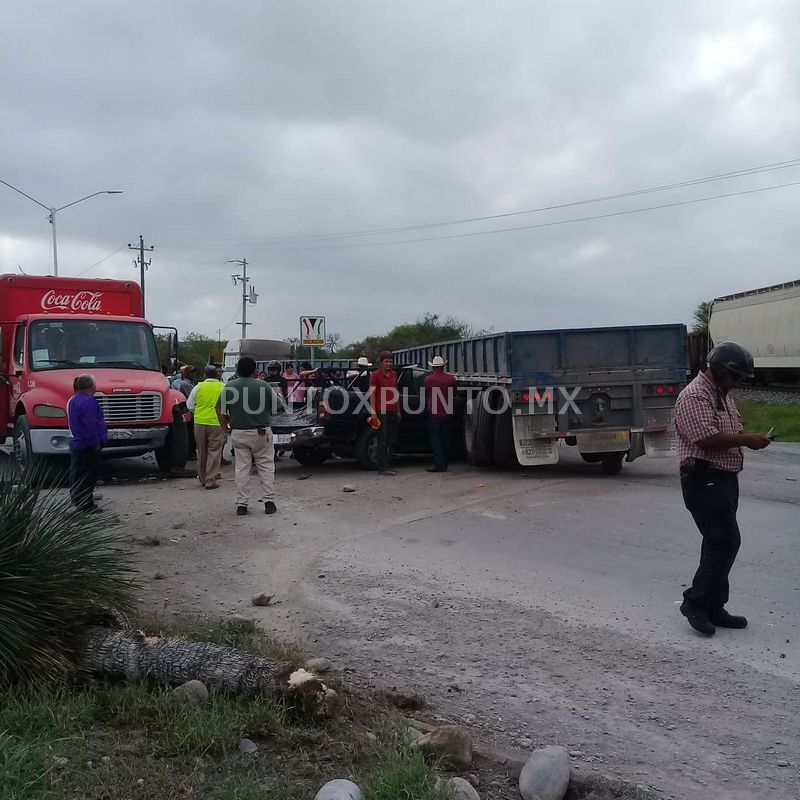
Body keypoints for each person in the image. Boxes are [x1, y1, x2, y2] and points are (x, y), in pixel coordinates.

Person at [674, 341, 772, 636]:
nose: (737, 383)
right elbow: (704, 438)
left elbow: (728, 431)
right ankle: (695, 602)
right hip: (704, 478)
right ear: (719, 370)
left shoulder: (721, 394)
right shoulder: (694, 396)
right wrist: (745, 440)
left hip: (724, 478)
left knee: (716, 542)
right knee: (725, 541)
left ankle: (714, 606)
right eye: (736, 377)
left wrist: (748, 438)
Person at [216, 356, 278, 515]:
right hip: (261, 432)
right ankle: (269, 502)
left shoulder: (229, 386)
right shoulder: (263, 385)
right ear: (254, 370)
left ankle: (242, 505)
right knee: (266, 466)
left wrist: (225, 428)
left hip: (239, 433)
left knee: (242, 468)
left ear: (237, 370)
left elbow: (219, 410)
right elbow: (277, 405)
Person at [67, 373, 107, 512]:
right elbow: (91, 424)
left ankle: (78, 500)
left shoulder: (72, 400)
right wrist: (96, 442)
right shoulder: (89, 402)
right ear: (92, 385)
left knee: (77, 472)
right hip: (88, 444)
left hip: (76, 442)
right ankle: (86, 505)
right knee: (88, 476)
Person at [187, 365, 226, 490]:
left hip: (199, 422)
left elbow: (190, 406)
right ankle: (211, 480)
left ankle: (202, 478)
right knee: (214, 452)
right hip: (216, 423)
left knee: (201, 451)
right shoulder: (223, 387)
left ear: (205, 375)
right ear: (217, 375)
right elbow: (227, 405)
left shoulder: (198, 387)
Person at [368, 351, 401, 476]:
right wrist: (373, 412)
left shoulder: (394, 374)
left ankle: (387, 465)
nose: (388, 364)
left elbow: (395, 392)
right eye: (386, 361)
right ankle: (382, 468)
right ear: (381, 362)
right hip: (381, 411)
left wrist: (398, 411)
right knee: (382, 438)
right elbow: (372, 394)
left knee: (390, 439)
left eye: (390, 362)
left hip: (392, 409)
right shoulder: (375, 376)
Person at [424, 355, 457, 472]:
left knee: (436, 440)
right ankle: (445, 463)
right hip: (448, 412)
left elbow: (426, 393)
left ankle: (439, 464)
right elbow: (454, 392)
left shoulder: (429, 380)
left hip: (435, 413)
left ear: (433, 367)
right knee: (446, 439)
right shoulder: (451, 379)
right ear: (443, 366)